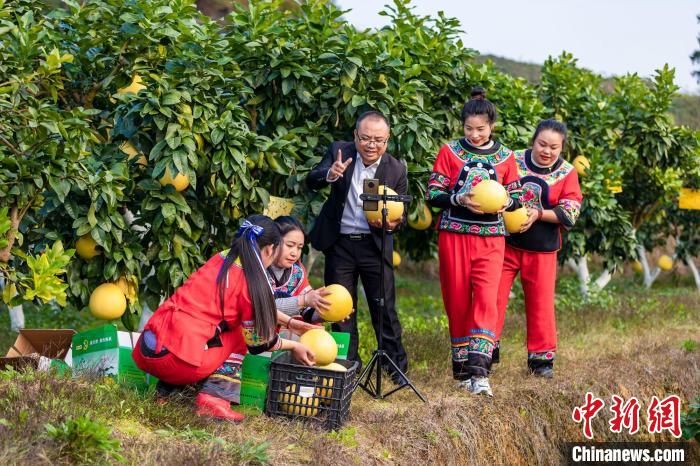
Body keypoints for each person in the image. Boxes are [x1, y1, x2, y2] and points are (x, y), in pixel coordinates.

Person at [132, 215, 316, 422]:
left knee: (206, 329)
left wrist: (289, 322)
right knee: (240, 334)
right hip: (175, 361)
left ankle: (165, 391)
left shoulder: (221, 259)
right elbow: (258, 343)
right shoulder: (250, 281)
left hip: (147, 350)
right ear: (269, 249)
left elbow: (256, 306)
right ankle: (214, 400)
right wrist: (294, 346)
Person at [426, 87, 521, 397]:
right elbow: (434, 193)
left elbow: (518, 196)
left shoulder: (506, 157)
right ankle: (463, 371)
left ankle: (480, 372)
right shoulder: (449, 151)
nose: (475, 134)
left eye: (481, 129)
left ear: (491, 125)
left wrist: (507, 202)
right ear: (462, 125)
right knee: (457, 301)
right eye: (469, 128)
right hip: (454, 235)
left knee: (486, 299)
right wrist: (459, 198)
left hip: (491, 240)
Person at [306, 110, 409, 384]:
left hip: (374, 245)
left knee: (384, 306)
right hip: (340, 244)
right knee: (340, 307)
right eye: (365, 138)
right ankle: (347, 365)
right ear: (355, 136)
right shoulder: (340, 151)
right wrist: (329, 173)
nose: (371, 145)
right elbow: (311, 178)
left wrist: (392, 224)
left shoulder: (395, 169)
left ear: (387, 140)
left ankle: (394, 365)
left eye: (379, 140)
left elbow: (402, 214)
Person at [494, 119, 582, 379]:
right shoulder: (513, 160)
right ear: (533, 141)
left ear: (562, 149)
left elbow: (571, 211)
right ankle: (485, 351)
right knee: (493, 298)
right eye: (542, 144)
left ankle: (541, 361)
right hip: (507, 243)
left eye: (554, 147)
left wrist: (539, 213)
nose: (547, 151)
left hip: (542, 249)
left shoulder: (567, 173)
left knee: (541, 304)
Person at [269, 215, 332, 324]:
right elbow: (263, 308)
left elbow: (307, 312)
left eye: (299, 247)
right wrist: (304, 300)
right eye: (290, 245)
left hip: (286, 332)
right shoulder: (257, 268)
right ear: (273, 242)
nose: (294, 253)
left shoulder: (296, 272)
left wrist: (331, 313)